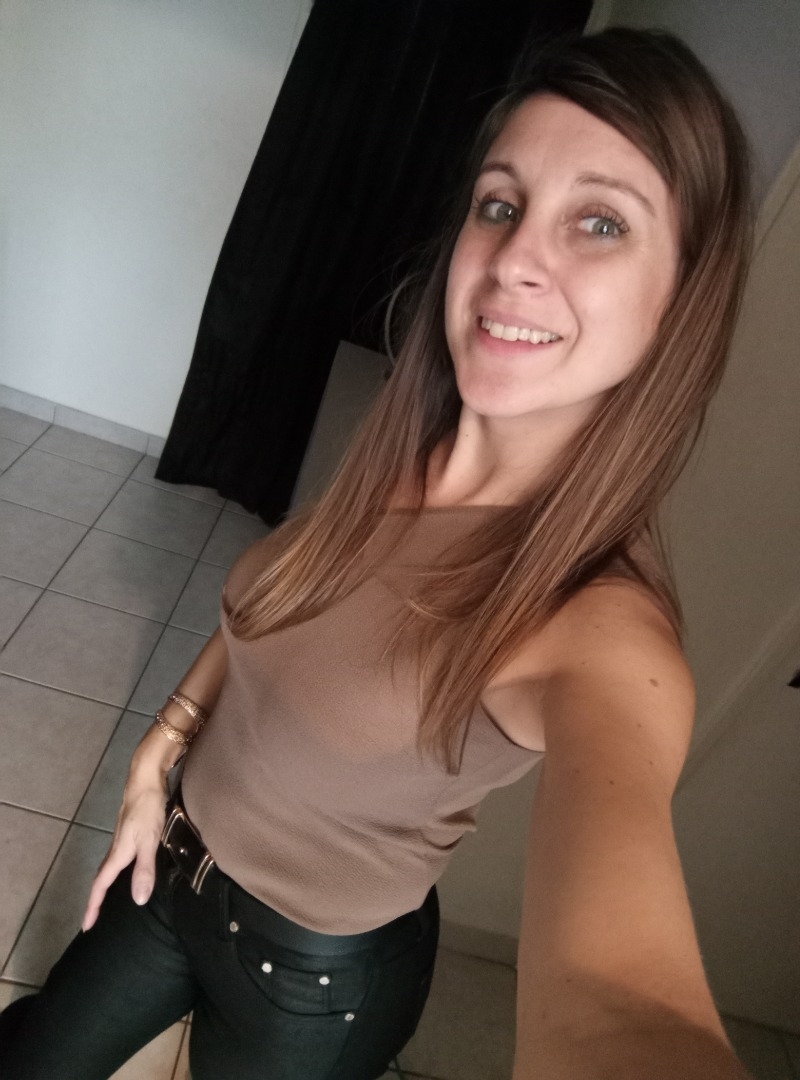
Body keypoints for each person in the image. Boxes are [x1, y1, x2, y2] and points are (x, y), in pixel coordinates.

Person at [0, 27, 756, 1080]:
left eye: (599, 222)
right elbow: (273, 617)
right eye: (499, 204)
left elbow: (616, 1004)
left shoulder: (598, 627)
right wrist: (157, 751)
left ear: (681, 300)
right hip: (168, 875)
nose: (515, 260)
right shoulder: (401, 453)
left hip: (308, 987)